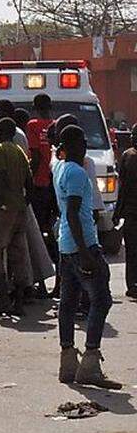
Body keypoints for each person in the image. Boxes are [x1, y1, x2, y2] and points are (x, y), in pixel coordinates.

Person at [54, 125, 122, 389]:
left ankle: (68, 360)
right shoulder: (77, 173)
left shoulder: (59, 168)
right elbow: (72, 213)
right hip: (81, 244)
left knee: (68, 303)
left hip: (65, 245)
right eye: (82, 140)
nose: (85, 144)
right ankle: (90, 361)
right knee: (102, 300)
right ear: (74, 145)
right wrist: (85, 253)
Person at [0, 118, 33, 315]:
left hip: (4, 209)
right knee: (18, 255)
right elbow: (30, 184)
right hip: (20, 208)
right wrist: (22, 203)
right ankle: (18, 303)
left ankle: (3, 301)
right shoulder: (19, 151)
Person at [27, 94, 57, 249]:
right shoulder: (56, 125)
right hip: (55, 181)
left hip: (40, 182)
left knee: (39, 223)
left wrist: (28, 179)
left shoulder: (32, 125)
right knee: (54, 221)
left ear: (34, 108)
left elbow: (36, 156)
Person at [114, 138, 137, 298]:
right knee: (131, 249)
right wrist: (117, 212)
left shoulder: (128, 156)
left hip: (130, 211)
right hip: (131, 212)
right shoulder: (127, 156)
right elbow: (121, 187)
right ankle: (132, 285)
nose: (133, 138)